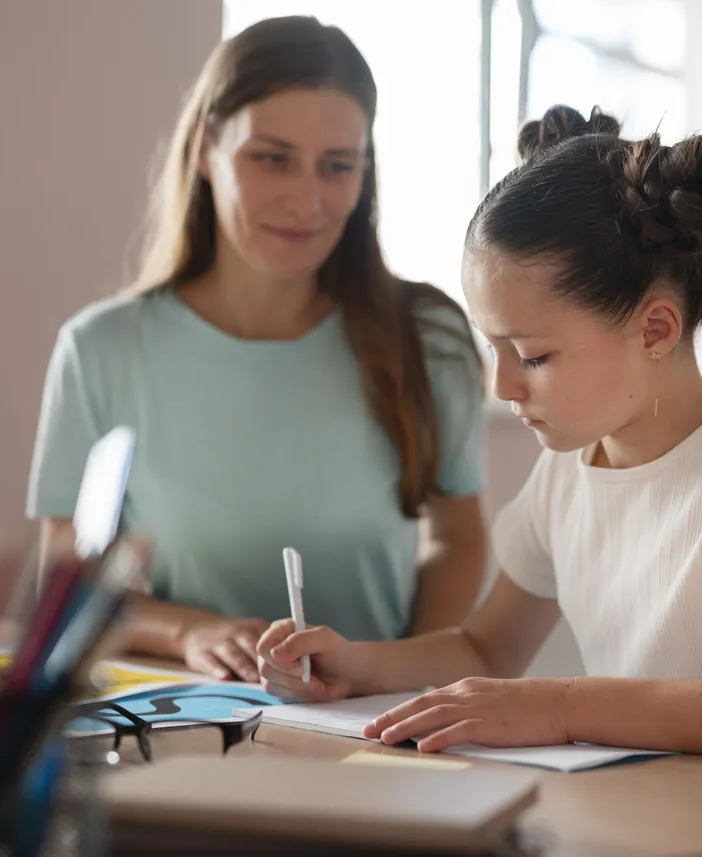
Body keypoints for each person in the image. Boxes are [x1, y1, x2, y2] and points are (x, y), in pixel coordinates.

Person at [256, 105, 702, 774]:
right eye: (495, 349)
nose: (505, 385)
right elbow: (487, 651)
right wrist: (355, 664)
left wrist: (565, 705)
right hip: (656, 817)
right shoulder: (567, 472)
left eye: (533, 355)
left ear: (656, 330)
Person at [26, 17, 488, 683]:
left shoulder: (429, 337)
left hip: (374, 730)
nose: (307, 200)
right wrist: (191, 632)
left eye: (338, 166)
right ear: (207, 152)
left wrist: (395, 675)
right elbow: (67, 580)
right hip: (173, 728)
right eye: (271, 157)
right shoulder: (99, 349)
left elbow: (458, 536)